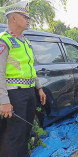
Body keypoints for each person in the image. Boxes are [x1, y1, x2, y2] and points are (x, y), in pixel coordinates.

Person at [0, 1, 46, 157]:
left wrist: (39, 88)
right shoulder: (4, 41)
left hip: (29, 93)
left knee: (25, 131)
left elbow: (31, 68)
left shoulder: (25, 42)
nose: (28, 19)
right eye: (24, 16)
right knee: (14, 135)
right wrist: (4, 101)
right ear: (13, 18)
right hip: (14, 95)